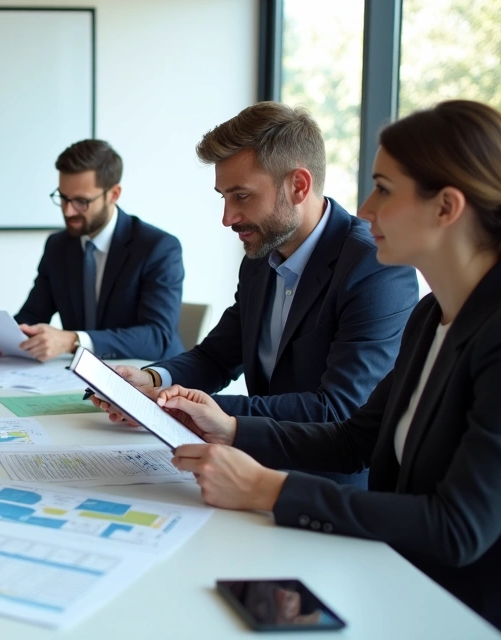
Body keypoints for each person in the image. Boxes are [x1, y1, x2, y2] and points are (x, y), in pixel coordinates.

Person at [155, 100, 501, 628]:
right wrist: (229, 428)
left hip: (455, 612)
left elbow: (457, 527)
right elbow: (352, 437)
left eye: (384, 188)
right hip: (389, 574)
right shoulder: (433, 315)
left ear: (445, 207)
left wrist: (266, 488)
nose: (365, 208)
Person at [101, 103, 418, 486]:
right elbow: (217, 357)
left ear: (299, 186)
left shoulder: (374, 268)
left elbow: (338, 409)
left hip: (326, 488)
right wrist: (154, 381)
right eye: (223, 197)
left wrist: (193, 409)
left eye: (242, 196)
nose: (227, 217)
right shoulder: (260, 257)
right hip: (253, 467)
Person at [0, 139, 185, 362]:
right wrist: (10, 338)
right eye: (63, 198)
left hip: (150, 379)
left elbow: (156, 337)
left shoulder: (157, 247)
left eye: (80, 201)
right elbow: (34, 314)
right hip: (79, 379)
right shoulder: (58, 245)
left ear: (114, 194)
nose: (68, 211)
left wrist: (72, 341)